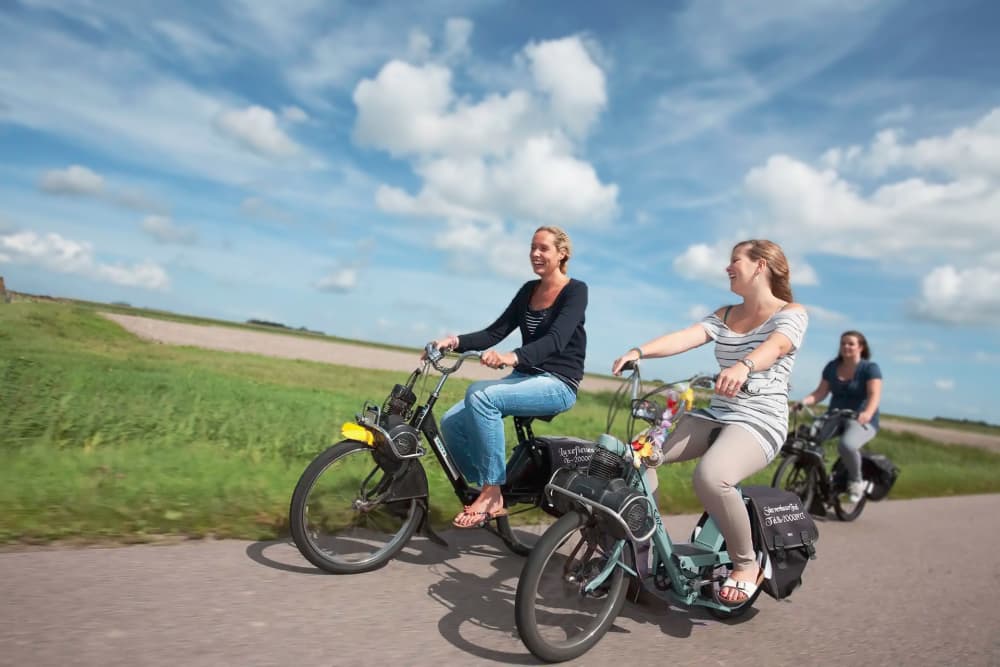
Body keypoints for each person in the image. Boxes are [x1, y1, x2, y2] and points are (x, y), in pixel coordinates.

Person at [612, 239, 808, 606]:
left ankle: (747, 565)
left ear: (760, 265)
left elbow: (777, 346)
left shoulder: (791, 313)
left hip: (760, 419)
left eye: (735, 260)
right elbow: (687, 336)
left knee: (711, 476)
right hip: (716, 412)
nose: (728, 267)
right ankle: (646, 552)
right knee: (637, 455)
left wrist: (744, 365)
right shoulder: (726, 314)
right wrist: (640, 351)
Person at [428, 226, 588, 529]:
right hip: (523, 377)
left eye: (544, 248)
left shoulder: (576, 291)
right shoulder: (528, 290)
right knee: (451, 422)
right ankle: (494, 486)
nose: (536, 254)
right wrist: (453, 342)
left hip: (558, 383)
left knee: (481, 395)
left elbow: (556, 339)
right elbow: (494, 332)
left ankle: (491, 493)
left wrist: (511, 356)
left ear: (562, 253)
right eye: (532, 247)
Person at [794, 331, 883, 503]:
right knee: (810, 441)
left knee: (847, 445)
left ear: (861, 347)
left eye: (850, 344)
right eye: (843, 343)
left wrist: (867, 413)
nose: (846, 347)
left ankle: (856, 481)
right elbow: (821, 392)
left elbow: (874, 395)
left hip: (861, 419)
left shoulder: (870, 368)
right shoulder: (832, 367)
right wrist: (804, 402)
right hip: (834, 415)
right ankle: (811, 484)